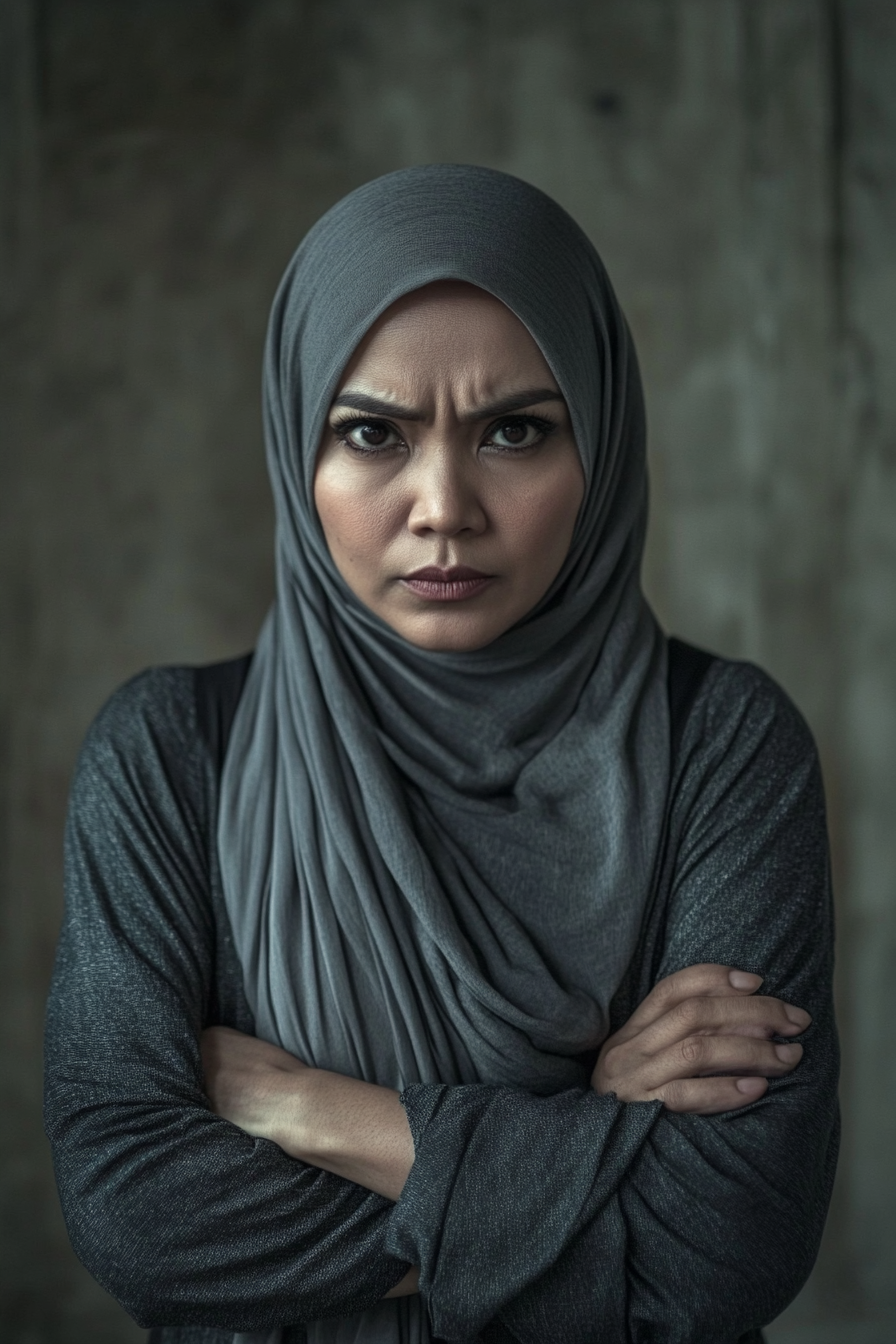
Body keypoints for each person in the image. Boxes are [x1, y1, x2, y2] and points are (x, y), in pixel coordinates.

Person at [44, 165, 838, 1344]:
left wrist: (306, 1110)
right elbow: (138, 1218)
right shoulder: (168, 754)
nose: (442, 505)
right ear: (295, 454)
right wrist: (590, 1145)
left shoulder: (723, 742)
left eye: (514, 429)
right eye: (372, 433)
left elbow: (721, 1248)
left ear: (602, 442)